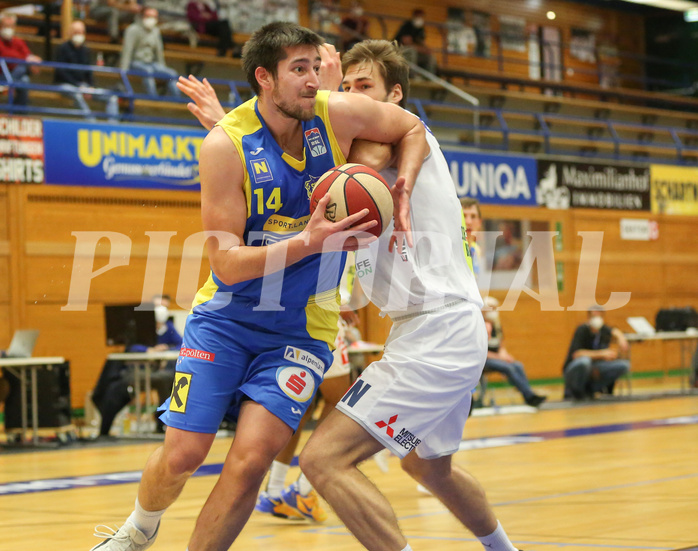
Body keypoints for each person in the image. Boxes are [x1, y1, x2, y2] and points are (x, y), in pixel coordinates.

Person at [89, 22, 426, 551]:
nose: (314, 79)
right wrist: (309, 242)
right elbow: (225, 264)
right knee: (183, 454)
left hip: (301, 327)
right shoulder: (224, 145)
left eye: (316, 67)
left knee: (249, 463)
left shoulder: (334, 116)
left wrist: (400, 187)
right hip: (226, 318)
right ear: (264, 77)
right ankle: (139, 529)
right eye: (300, 69)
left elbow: (413, 127)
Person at [298, 40, 522, 551]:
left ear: (394, 96)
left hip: (438, 329)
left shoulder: (392, 142)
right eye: (348, 88)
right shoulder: (369, 153)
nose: (355, 97)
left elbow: (343, 167)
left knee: (322, 459)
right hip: (430, 328)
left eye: (365, 88)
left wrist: (327, 96)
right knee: (428, 466)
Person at [91, 296, 182, 438]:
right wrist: (148, 350)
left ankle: (162, 422)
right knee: (116, 390)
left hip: (155, 372)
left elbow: (181, 344)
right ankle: (105, 429)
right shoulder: (140, 326)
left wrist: (166, 349)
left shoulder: (168, 327)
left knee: (168, 379)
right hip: (136, 371)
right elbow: (131, 345)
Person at [482, 296, 546, 407]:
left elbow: (501, 345)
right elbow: (481, 351)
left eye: (495, 308)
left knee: (517, 365)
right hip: (485, 360)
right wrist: (499, 357)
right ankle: (529, 396)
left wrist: (505, 354)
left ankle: (528, 394)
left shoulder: (496, 326)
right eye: (491, 308)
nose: (494, 311)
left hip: (497, 358)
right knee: (508, 368)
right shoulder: (480, 326)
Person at [54, 20, 119, 121]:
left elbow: (89, 71)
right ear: (70, 33)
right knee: (77, 95)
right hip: (65, 85)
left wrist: (91, 86)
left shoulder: (86, 50)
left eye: (81, 32)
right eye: (76, 32)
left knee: (112, 97)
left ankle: (113, 126)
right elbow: (61, 72)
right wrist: (78, 86)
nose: (79, 35)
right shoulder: (62, 48)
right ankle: (91, 122)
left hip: (84, 86)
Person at [563, 306, 630, 400]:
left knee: (623, 365)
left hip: (595, 366)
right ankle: (577, 392)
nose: (597, 319)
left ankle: (591, 390)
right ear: (589, 317)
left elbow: (614, 331)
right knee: (584, 362)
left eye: (599, 316)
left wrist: (621, 339)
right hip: (575, 368)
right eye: (594, 316)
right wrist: (602, 354)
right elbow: (577, 354)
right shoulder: (582, 329)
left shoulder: (603, 330)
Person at [120, 7, 181, 98]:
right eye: (148, 16)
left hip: (152, 63)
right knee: (148, 71)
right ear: (142, 16)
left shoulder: (156, 31)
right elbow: (127, 50)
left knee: (172, 73)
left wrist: (162, 67)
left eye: (154, 17)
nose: (151, 19)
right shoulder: (132, 29)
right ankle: (153, 99)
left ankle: (177, 101)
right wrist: (123, 70)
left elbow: (159, 52)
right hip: (136, 62)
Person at [0, 12, 42, 107]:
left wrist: (35, 60)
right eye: (6, 26)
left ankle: (19, 113)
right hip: (1, 75)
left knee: (25, 79)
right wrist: (22, 58)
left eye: (11, 26)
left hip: (15, 76)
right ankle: (8, 84)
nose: (8, 29)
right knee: (23, 66)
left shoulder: (19, 42)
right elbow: (6, 56)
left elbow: (29, 56)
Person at [393, 8, 438, 76]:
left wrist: (427, 49)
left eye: (421, 17)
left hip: (414, 50)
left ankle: (428, 77)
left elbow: (421, 42)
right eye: (418, 16)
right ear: (414, 16)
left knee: (430, 57)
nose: (420, 18)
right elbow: (406, 42)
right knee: (412, 51)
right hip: (400, 49)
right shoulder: (407, 25)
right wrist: (420, 49)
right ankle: (412, 76)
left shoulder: (421, 28)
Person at [461, 197, 482, 280]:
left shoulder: (476, 249)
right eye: (463, 216)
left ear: (479, 222)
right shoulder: (448, 249)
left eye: (473, 216)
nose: (468, 222)